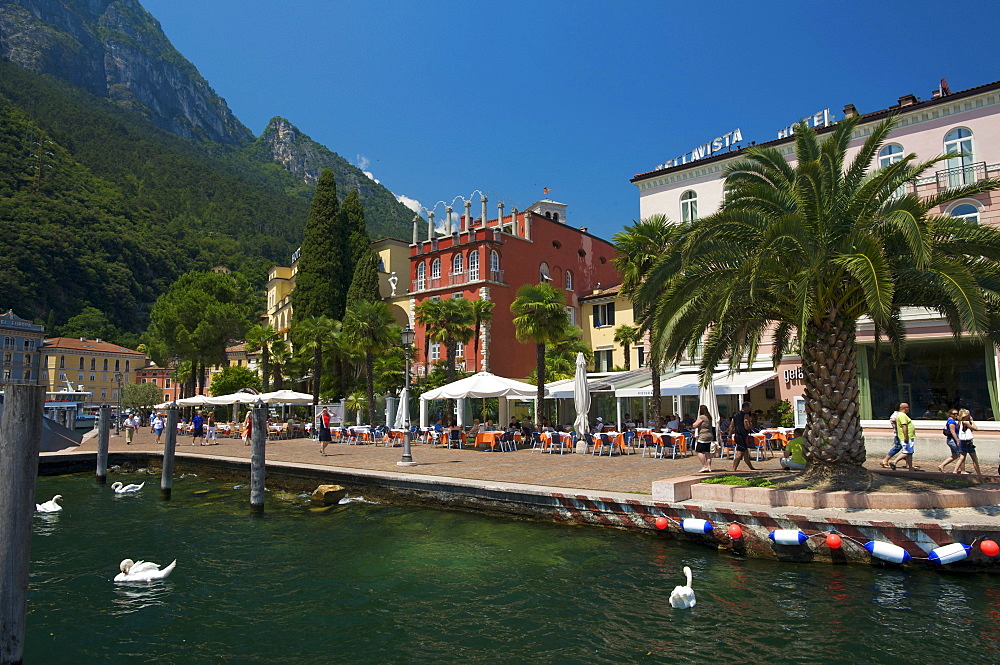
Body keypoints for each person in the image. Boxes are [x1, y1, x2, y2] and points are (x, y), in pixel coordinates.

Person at [953, 408, 982, 478]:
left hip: (963, 441)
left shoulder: (960, 422)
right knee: (974, 458)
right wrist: (972, 421)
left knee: (962, 458)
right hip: (967, 442)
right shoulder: (965, 422)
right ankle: (979, 474)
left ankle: (955, 471)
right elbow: (976, 428)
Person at [729, 401, 757, 471]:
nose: (750, 409)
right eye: (750, 407)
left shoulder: (735, 415)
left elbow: (731, 425)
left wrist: (729, 435)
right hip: (743, 435)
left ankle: (751, 468)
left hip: (737, 435)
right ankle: (733, 469)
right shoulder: (745, 415)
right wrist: (750, 424)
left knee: (745, 453)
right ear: (746, 407)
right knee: (740, 453)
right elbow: (747, 426)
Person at [889, 403, 915, 470]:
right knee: (907, 452)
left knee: (910, 452)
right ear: (905, 408)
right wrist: (906, 437)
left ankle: (910, 467)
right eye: (908, 407)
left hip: (909, 436)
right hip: (907, 437)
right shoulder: (902, 415)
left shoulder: (901, 415)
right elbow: (904, 426)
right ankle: (894, 462)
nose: (908, 409)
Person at [691, 405, 714, 473]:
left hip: (703, 436)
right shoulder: (709, 417)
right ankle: (709, 467)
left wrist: (693, 424)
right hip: (709, 435)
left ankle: (704, 466)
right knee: (707, 452)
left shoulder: (702, 417)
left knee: (698, 451)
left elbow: (695, 425)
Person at [938, 409, 962, 473]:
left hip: (951, 440)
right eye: (954, 414)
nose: (956, 415)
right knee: (961, 455)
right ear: (950, 414)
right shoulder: (951, 422)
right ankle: (958, 470)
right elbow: (953, 432)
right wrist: (957, 440)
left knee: (955, 455)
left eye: (957, 414)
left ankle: (942, 465)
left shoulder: (952, 421)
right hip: (952, 440)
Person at [879, 404, 903, 468]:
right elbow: (893, 420)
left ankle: (908, 464)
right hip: (899, 435)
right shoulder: (896, 415)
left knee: (905, 449)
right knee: (898, 447)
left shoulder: (900, 415)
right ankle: (885, 460)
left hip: (901, 434)